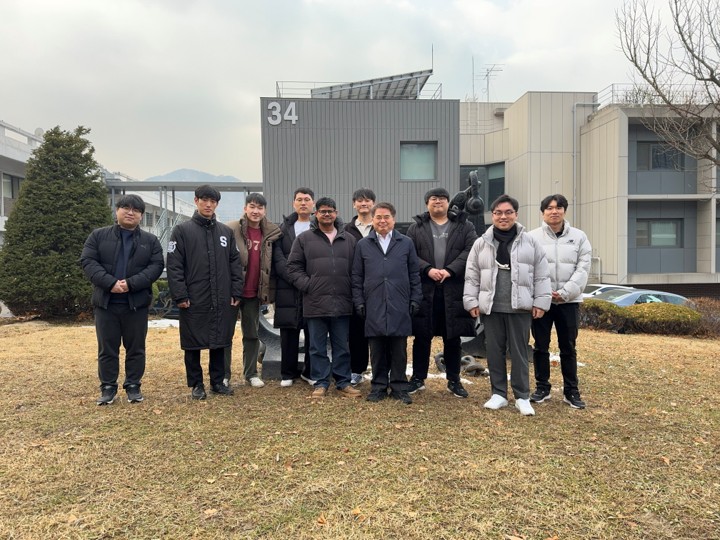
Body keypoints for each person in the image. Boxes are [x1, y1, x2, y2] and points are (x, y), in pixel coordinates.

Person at [463, 194, 551, 416]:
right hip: (492, 307)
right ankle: (499, 394)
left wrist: (541, 301)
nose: (503, 217)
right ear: (492, 215)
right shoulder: (481, 243)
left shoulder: (530, 242)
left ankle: (522, 396)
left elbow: (541, 274)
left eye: (508, 212)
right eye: (498, 213)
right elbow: (472, 275)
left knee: (519, 352)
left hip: (520, 307)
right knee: (494, 351)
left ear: (516, 215)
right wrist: (471, 301)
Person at [81, 194, 164, 405]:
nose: (130, 212)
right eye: (126, 208)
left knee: (136, 348)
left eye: (136, 210)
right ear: (117, 210)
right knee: (107, 349)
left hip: (136, 304)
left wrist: (131, 284)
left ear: (141, 215)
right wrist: (110, 283)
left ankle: (133, 385)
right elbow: (88, 261)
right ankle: (108, 387)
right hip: (106, 303)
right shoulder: (98, 236)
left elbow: (155, 266)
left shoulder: (150, 241)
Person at [166, 185, 244, 400]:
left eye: (213, 201)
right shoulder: (182, 231)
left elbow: (235, 264)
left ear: (217, 204)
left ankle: (218, 381)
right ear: (196, 201)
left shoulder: (225, 232)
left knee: (219, 339)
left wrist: (236, 292)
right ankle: (196, 384)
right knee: (192, 342)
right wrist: (180, 295)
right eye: (204, 200)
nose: (208, 205)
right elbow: (174, 265)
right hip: (194, 297)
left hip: (222, 296)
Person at [286, 197, 361, 399]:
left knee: (342, 347)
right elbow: (292, 267)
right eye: (323, 211)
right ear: (316, 214)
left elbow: (357, 270)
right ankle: (320, 382)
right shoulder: (304, 239)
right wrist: (308, 285)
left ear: (336, 213)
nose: (327, 214)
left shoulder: (349, 240)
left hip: (342, 302)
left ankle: (343, 382)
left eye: (330, 211)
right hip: (315, 302)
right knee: (316, 347)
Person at [406, 187, 477, 398]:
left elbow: (470, 250)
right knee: (422, 336)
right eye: (433, 198)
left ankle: (454, 380)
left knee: (452, 337)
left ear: (448, 202)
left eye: (442, 198)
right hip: (425, 289)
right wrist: (428, 269)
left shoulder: (464, 226)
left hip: (453, 289)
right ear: (427, 203)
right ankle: (418, 378)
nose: (438, 201)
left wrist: (450, 270)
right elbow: (409, 254)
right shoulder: (416, 228)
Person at [352, 202, 422, 404]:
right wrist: (359, 301)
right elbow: (356, 276)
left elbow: (414, 273)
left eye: (386, 217)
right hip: (373, 302)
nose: (382, 221)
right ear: (372, 220)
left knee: (399, 348)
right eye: (378, 217)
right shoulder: (363, 245)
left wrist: (415, 298)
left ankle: (399, 386)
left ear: (393, 219)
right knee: (376, 348)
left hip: (400, 302)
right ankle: (379, 386)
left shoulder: (406, 243)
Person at [529, 194, 591, 409]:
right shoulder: (532, 237)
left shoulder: (579, 237)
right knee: (540, 346)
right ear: (542, 212)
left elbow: (583, 268)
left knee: (568, 347)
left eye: (558, 207)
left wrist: (565, 293)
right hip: (541, 302)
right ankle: (542, 388)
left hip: (569, 302)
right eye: (549, 208)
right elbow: (528, 269)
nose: (554, 211)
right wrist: (544, 293)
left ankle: (571, 391)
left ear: (564, 211)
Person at [224, 193, 281, 388]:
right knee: (225, 336)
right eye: (252, 206)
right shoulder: (230, 229)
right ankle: (223, 374)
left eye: (260, 207)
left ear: (265, 210)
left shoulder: (271, 232)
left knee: (252, 334)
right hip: (231, 291)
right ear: (245, 208)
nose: (256, 211)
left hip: (254, 292)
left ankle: (251, 373)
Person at [272, 188, 315, 387]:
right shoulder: (283, 229)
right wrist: (296, 278)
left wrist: (309, 280)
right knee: (289, 331)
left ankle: (310, 371)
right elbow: (278, 257)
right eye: (299, 199)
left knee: (313, 331)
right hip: (287, 286)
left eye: (307, 199)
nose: (303, 203)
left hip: (312, 286)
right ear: (293, 203)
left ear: (313, 204)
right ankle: (287, 373)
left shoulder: (318, 226)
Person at [344, 187, 376, 386]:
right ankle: (357, 370)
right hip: (354, 287)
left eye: (367, 200)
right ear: (354, 204)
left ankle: (382, 370)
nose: (363, 204)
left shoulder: (381, 226)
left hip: (378, 286)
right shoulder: (346, 229)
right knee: (356, 331)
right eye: (359, 201)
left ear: (373, 203)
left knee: (380, 330)